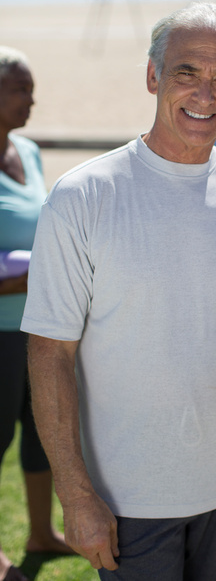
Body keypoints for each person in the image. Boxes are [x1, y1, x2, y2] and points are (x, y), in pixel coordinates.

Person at [22, 3, 216, 581]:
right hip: (129, 493)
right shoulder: (81, 198)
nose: (205, 94)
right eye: (187, 72)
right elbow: (49, 351)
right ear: (153, 76)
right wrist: (76, 494)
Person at [0, 47, 72, 581]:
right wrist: (15, 279)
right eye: (20, 88)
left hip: (38, 324)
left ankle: (42, 534)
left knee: (43, 430)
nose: (32, 98)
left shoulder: (27, 149)